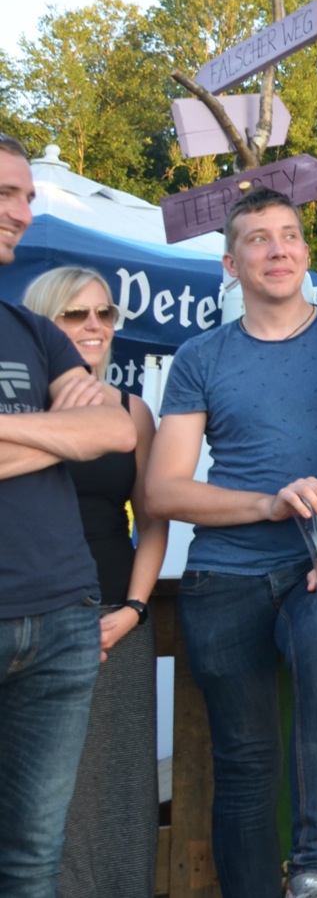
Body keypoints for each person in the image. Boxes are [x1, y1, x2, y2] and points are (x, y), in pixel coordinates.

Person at [146, 188, 317, 898]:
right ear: (231, 264)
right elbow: (162, 491)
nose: (278, 250)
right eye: (258, 239)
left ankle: (316, 873)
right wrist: (268, 503)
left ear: (306, 252)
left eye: (289, 235)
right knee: (245, 761)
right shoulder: (200, 357)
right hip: (222, 578)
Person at [0, 135, 137, 898]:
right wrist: (56, 433)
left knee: (32, 859)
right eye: (5, 194)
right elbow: (79, 436)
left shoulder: (32, 331)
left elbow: (113, 431)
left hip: (62, 617)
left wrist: (16, 431)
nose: (22, 212)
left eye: (26, 196)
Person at [22, 267, 164, 898]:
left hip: (113, 617)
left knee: (116, 792)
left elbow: (152, 520)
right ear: (42, 325)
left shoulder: (133, 411)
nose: (94, 326)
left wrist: (134, 607)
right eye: (75, 314)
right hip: (30, 616)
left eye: (104, 313)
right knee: (32, 795)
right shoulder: (19, 411)